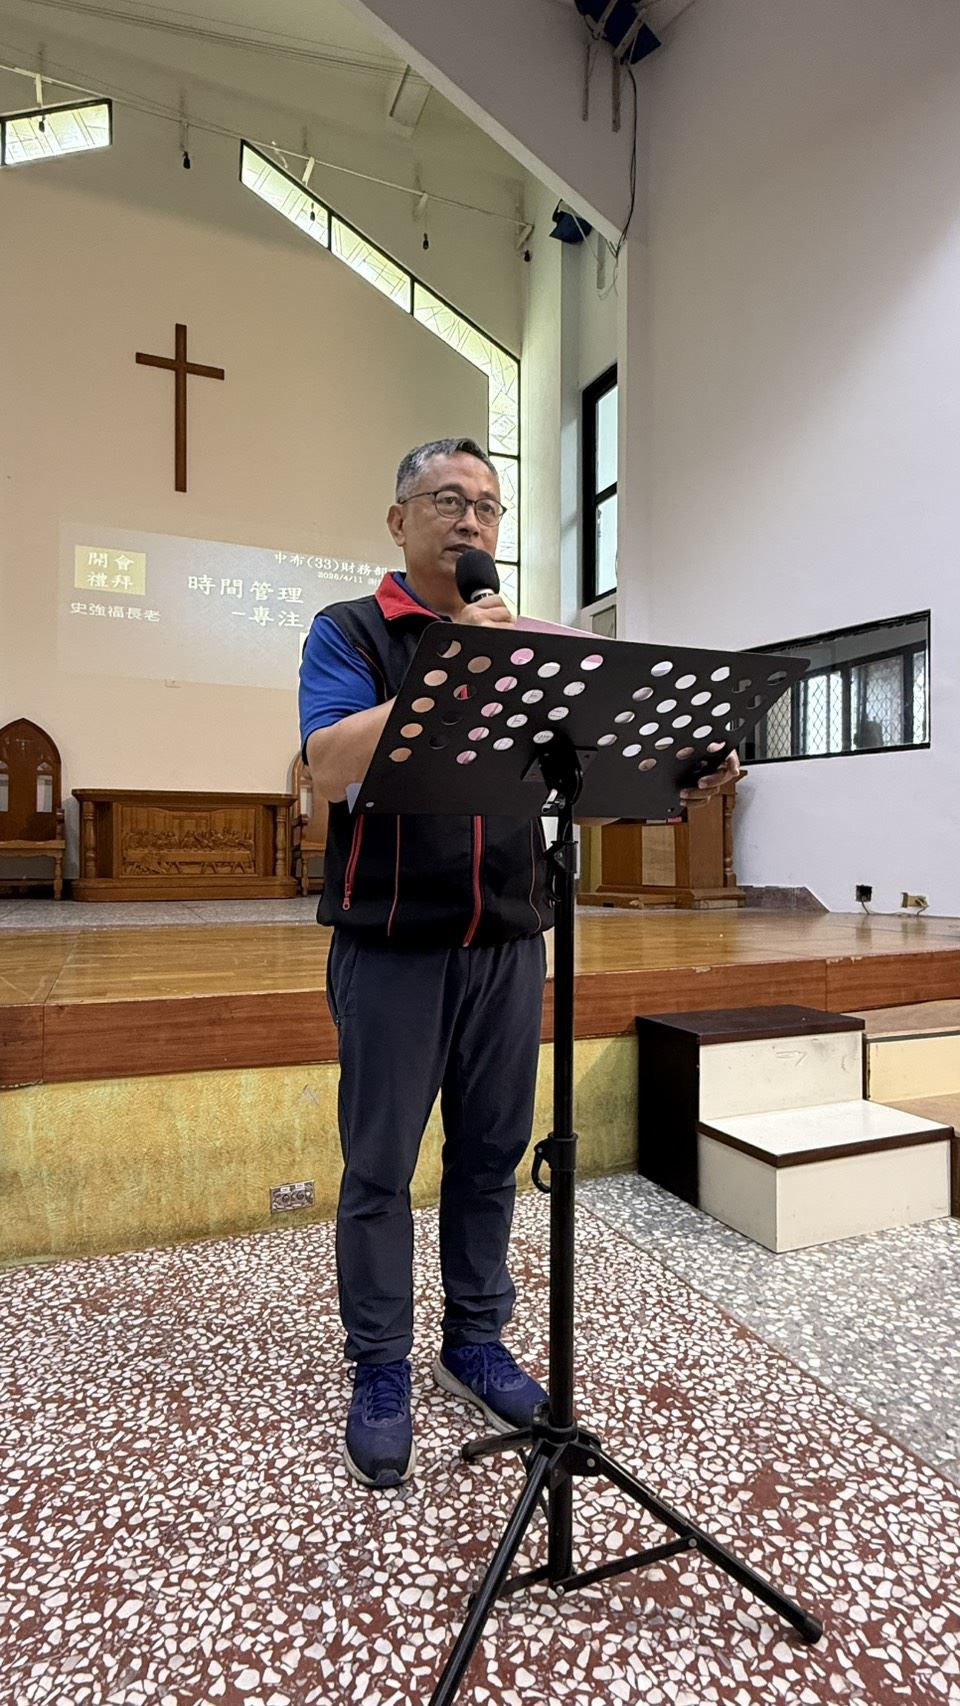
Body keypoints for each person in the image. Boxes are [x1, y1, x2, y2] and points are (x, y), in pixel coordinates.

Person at [299, 437, 739, 1489]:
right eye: (448, 499)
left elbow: (595, 772)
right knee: (380, 1168)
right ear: (398, 520)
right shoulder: (351, 631)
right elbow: (327, 763)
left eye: (489, 505)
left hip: (507, 939)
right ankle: (380, 1365)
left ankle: (475, 1338)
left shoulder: (530, 648)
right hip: (393, 943)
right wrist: (455, 663)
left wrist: (683, 768)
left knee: (491, 1155)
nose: (471, 520)